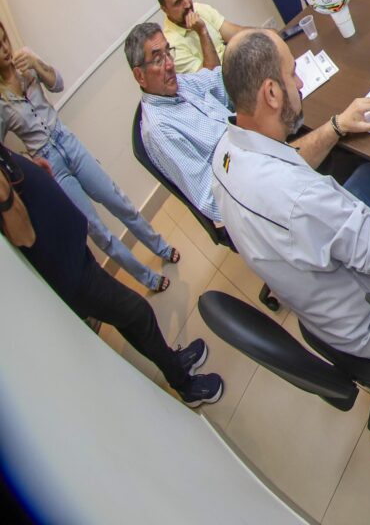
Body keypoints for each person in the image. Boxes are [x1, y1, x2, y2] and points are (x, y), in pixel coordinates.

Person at [211, 29, 370, 360]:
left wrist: (336, 126)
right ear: (272, 93)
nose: (299, 83)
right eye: (292, 74)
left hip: (318, 301)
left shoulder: (225, 153)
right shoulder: (302, 199)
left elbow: (288, 161)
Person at [1, 145, 223, 406]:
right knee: (139, 313)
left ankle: (172, 362)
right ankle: (186, 386)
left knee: (127, 320)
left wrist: (30, 170)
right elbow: (23, 236)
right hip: (68, 272)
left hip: (72, 250)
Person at [1, 20, 178, 292]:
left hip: (68, 142)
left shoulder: (26, 60)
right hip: (50, 163)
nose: (4, 48)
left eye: (4, 39)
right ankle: (148, 278)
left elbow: (57, 84)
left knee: (117, 200)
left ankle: (161, 247)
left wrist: (37, 64)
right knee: (95, 229)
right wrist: (27, 159)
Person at [128, 22, 230, 223]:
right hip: (241, 184)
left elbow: (219, 82)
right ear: (140, 76)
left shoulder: (177, 84)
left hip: (249, 142)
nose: (169, 65)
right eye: (158, 59)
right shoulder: (159, 130)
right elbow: (211, 200)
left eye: (168, 52)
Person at [155, 0, 249, 72]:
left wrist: (263, 35)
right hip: (225, 78)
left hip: (237, 64)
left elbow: (237, 33)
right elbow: (212, 77)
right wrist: (202, 32)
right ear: (165, 9)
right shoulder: (172, 46)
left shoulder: (197, 8)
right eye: (178, 2)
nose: (187, 4)